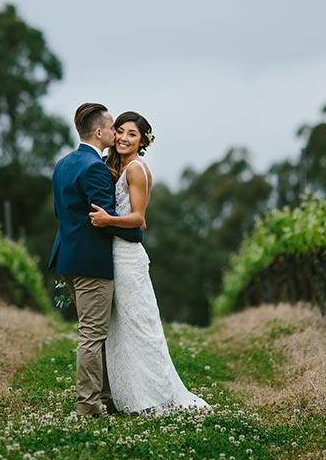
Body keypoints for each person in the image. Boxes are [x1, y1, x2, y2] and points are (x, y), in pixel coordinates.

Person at [88, 111, 209, 414]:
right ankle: (129, 394)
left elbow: (139, 219)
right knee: (123, 327)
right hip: (117, 253)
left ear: (142, 141)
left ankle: (152, 397)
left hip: (127, 258)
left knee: (139, 326)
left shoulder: (136, 170)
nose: (124, 138)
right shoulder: (121, 167)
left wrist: (107, 219)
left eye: (132, 134)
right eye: (121, 132)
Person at [48, 103, 143, 417]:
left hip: (69, 257)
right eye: (114, 127)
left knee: (94, 330)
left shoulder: (63, 164)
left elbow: (62, 213)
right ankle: (88, 404)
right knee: (92, 334)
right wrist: (136, 229)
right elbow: (103, 218)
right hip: (92, 262)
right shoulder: (95, 168)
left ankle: (105, 394)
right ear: (100, 131)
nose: (117, 133)